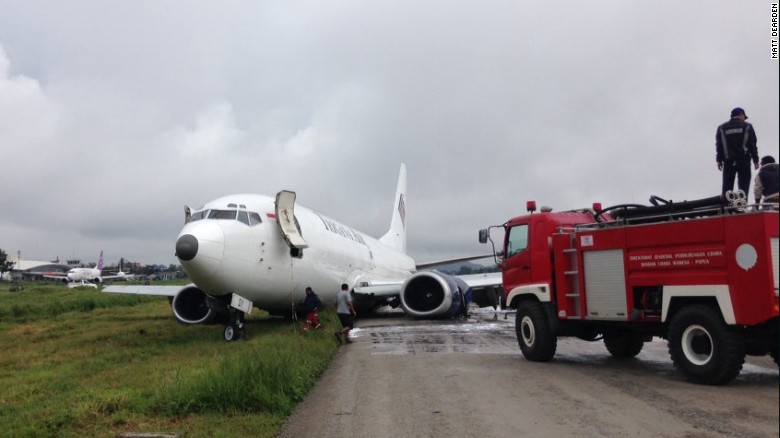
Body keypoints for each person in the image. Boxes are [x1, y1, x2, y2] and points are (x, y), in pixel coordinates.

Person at [716, 107, 759, 196]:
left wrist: (719, 160)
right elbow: (752, 144)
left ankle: (727, 206)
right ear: (741, 115)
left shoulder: (721, 128)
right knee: (743, 186)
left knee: (727, 187)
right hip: (744, 161)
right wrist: (756, 160)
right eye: (744, 117)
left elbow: (719, 145)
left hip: (728, 161)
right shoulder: (747, 126)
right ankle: (741, 206)